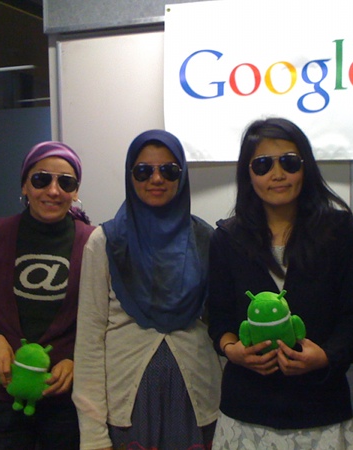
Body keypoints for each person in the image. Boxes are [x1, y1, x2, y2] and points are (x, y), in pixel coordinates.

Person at [206, 117, 353, 449]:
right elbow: (218, 317)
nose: (277, 174)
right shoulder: (226, 238)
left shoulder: (340, 232)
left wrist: (325, 357)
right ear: (248, 173)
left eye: (289, 162)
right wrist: (233, 350)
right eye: (263, 164)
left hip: (321, 412)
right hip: (245, 415)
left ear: (305, 167)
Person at [73, 130, 222, 450]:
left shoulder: (205, 239)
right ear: (130, 176)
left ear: (182, 176)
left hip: (197, 404)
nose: (156, 179)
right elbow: (89, 340)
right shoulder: (105, 241)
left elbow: (219, 329)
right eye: (143, 170)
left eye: (169, 170)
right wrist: (93, 434)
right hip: (127, 407)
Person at [0, 141, 94, 449]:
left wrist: (76, 359)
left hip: (65, 399)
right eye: (41, 179)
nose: (53, 190)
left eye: (66, 182)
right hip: (0, 396)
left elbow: (104, 317)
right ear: (24, 185)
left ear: (75, 191)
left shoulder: (94, 242)